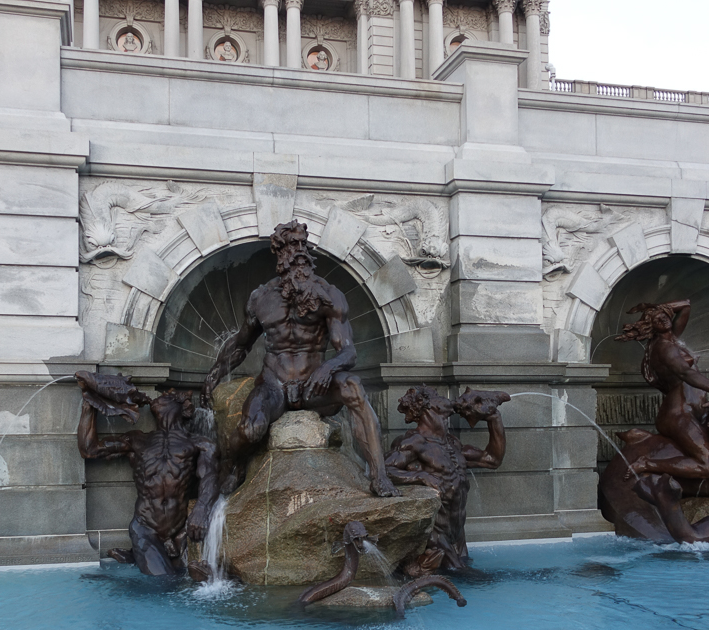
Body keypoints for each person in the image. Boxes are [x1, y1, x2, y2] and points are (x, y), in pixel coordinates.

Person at [202, 220, 398, 497]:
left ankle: (379, 476)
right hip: (274, 386)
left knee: (353, 386)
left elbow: (349, 351)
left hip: (314, 387)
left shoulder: (329, 296)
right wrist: (214, 374)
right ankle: (232, 465)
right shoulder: (261, 298)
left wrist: (329, 367)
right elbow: (241, 343)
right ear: (280, 255)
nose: (299, 253)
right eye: (292, 246)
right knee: (251, 430)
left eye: (302, 246)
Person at [77, 372, 219, 577]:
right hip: (145, 528)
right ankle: (144, 553)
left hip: (182, 528)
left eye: (167, 395)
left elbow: (211, 478)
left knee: (172, 579)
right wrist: (90, 405)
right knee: (162, 583)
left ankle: (144, 557)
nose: (160, 396)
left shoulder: (201, 444)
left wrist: (202, 508)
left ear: (184, 406)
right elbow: (89, 450)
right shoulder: (138, 440)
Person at [384, 386, 507, 570]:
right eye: (438, 396)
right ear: (428, 405)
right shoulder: (414, 442)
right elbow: (383, 470)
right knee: (475, 580)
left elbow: (492, 460)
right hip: (435, 534)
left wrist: (494, 417)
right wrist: (421, 475)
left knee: (468, 577)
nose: (446, 399)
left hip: (457, 534)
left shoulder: (452, 443)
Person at [615, 300, 709, 481]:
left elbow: (686, 305)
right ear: (651, 328)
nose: (662, 319)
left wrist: (654, 307)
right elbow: (684, 373)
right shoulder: (664, 348)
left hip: (693, 409)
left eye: (663, 315)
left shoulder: (672, 338)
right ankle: (647, 463)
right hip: (679, 414)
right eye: (656, 320)